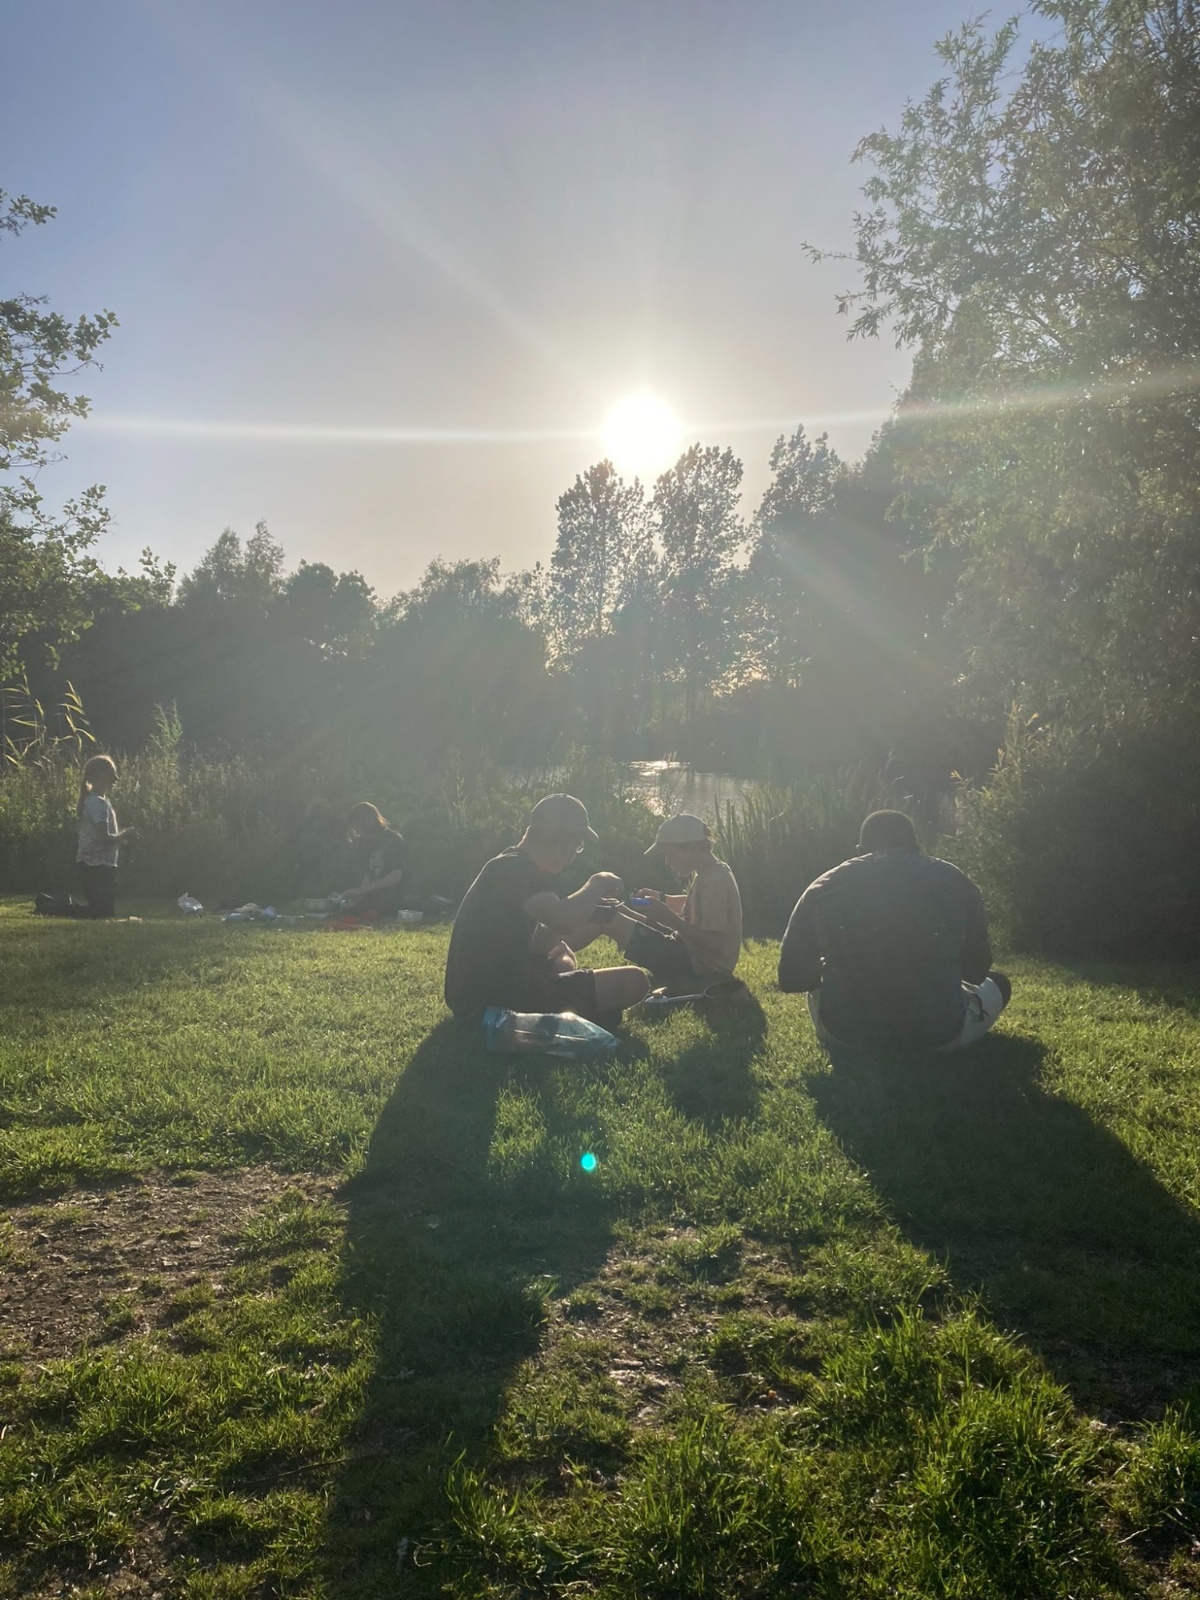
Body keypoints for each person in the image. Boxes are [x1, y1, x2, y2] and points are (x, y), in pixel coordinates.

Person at [778, 809, 1011, 1052]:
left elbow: (791, 978)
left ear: (859, 850)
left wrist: (838, 964)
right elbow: (976, 972)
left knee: (820, 985)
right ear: (916, 847)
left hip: (845, 1034)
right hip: (938, 1034)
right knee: (999, 983)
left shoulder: (822, 886)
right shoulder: (955, 881)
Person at [444, 793, 649, 1027]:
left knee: (562, 959)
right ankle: (576, 1014)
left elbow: (535, 940)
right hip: (498, 1000)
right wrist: (598, 882)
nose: (575, 852)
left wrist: (587, 917)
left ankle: (577, 1010)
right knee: (634, 982)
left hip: (474, 995)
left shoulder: (507, 864)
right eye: (578, 844)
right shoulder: (519, 870)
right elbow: (564, 920)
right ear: (565, 842)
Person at [603, 814, 742, 990]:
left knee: (609, 920)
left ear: (691, 847)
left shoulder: (715, 881)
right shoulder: (709, 872)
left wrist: (670, 919)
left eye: (670, 853)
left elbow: (715, 943)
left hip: (699, 966)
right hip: (687, 949)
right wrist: (661, 898)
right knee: (618, 911)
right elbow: (696, 905)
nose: (667, 861)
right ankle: (619, 910)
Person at [74, 754, 139, 919]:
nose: (116, 778)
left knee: (102, 912)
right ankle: (56, 908)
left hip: (99, 865)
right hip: (96, 867)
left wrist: (122, 837)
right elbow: (103, 839)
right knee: (102, 914)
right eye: (111, 773)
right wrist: (126, 833)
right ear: (98, 776)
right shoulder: (97, 803)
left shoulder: (99, 802)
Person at [335, 802, 407, 917]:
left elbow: (396, 875)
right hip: (374, 897)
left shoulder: (392, 839)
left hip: (393, 896)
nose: (357, 832)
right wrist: (358, 896)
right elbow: (368, 874)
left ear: (370, 822)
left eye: (358, 828)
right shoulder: (366, 844)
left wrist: (361, 891)